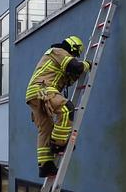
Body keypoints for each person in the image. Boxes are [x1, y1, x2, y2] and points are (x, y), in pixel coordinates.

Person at [25, 35, 92, 177]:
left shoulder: (55, 58)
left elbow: (68, 75)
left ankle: (45, 166)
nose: (74, 57)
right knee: (67, 109)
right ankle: (58, 144)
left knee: (46, 128)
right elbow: (75, 66)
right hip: (42, 90)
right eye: (75, 54)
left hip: (34, 93)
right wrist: (87, 65)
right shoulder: (58, 51)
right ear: (73, 47)